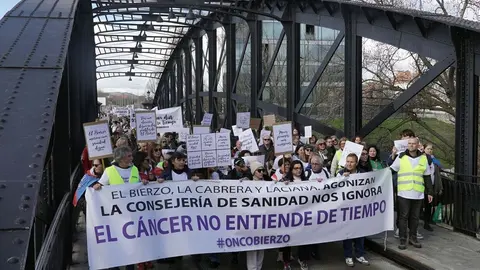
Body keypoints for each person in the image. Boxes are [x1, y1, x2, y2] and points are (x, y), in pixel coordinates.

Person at [390, 137, 433, 250]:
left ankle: (413, 238)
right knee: (403, 217)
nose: (411, 145)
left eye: (413, 143)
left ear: (418, 145)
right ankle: (403, 239)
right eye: (409, 143)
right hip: (404, 192)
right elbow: (391, 169)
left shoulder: (423, 158)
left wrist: (430, 192)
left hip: (418, 193)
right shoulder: (401, 157)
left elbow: (427, 176)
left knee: (415, 217)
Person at [337, 153, 370, 267]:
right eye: (348, 161)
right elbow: (334, 189)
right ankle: (348, 255)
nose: (349, 164)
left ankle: (360, 254)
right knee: (347, 234)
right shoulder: (340, 173)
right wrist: (342, 179)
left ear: (356, 163)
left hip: (359, 208)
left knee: (360, 232)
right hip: (346, 209)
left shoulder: (362, 174)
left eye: (352, 162)